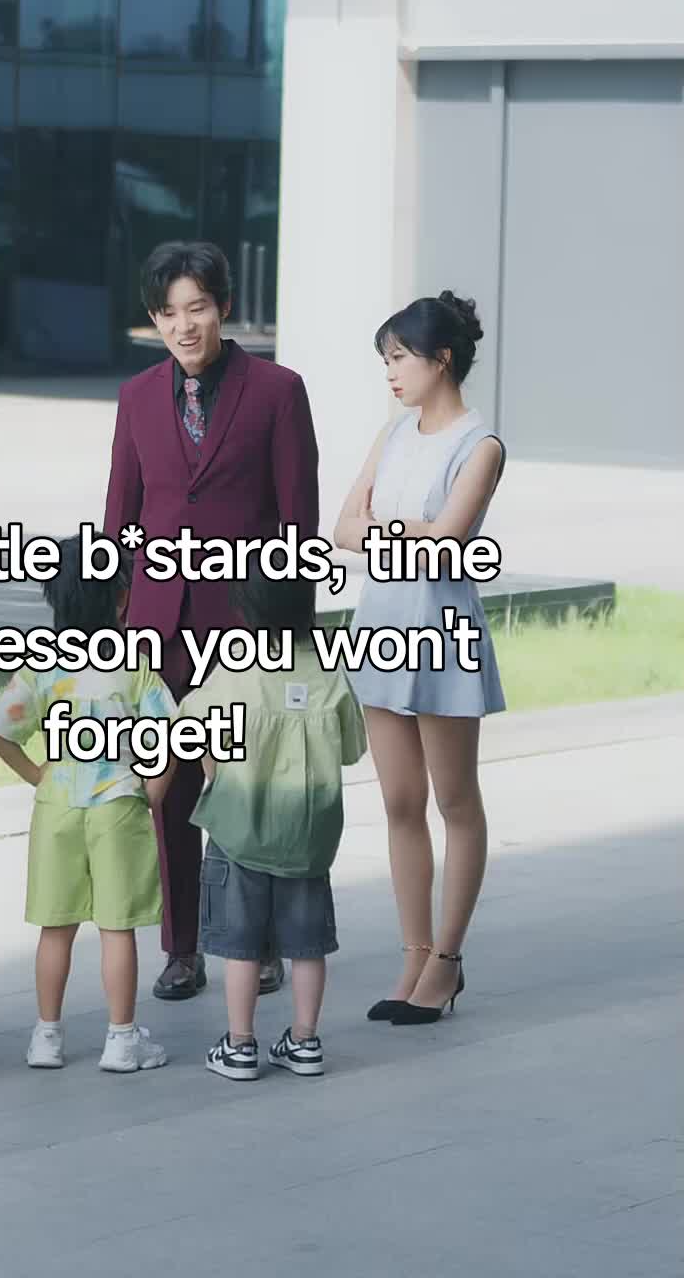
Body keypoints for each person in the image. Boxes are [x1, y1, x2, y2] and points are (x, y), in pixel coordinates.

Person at [104, 239, 320, 1002]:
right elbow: (120, 518)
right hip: (159, 627)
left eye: (196, 308)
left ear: (224, 307)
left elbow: (298, 520)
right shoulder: (135, 398)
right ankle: (183, 947)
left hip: (246, 626)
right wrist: (112, 624)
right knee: (169, 790)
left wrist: (292, 634)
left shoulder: (278, 392)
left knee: (246, 784)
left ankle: (259, 941)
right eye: (167, 313)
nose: (183, 326)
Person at [332, 290, 506, 1026]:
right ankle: (414, 953)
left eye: (399, 358)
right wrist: (403, 530)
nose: (390, 373)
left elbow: (447, 543)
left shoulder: (481, 445)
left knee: (455, 801)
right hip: (381, 630)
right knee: (400, 803)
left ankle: (447, 961)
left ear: (442, 359)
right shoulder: (393, 432)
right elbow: (342, 527)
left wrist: (393, 530)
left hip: (441, 635)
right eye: (386, 360)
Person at [0, 536, 177, 1072]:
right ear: (121, 598)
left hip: (58, 807)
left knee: (56, 926)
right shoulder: (134, 666)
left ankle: (46, 1037)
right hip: (118, 805)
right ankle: (121, 1039)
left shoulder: (40, 667)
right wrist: (153, 792)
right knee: (117, 927)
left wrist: (37, 775)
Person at [180, 562, 366, 1081]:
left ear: (246, 610)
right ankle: (305, 1041)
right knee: (307, 945)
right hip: (308, 837)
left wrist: (216, 773)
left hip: (239, 830)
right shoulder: (329, 671)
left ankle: (240, 1045)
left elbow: (192, 727)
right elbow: (351, 748)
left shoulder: (236, 670)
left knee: (240, 946)